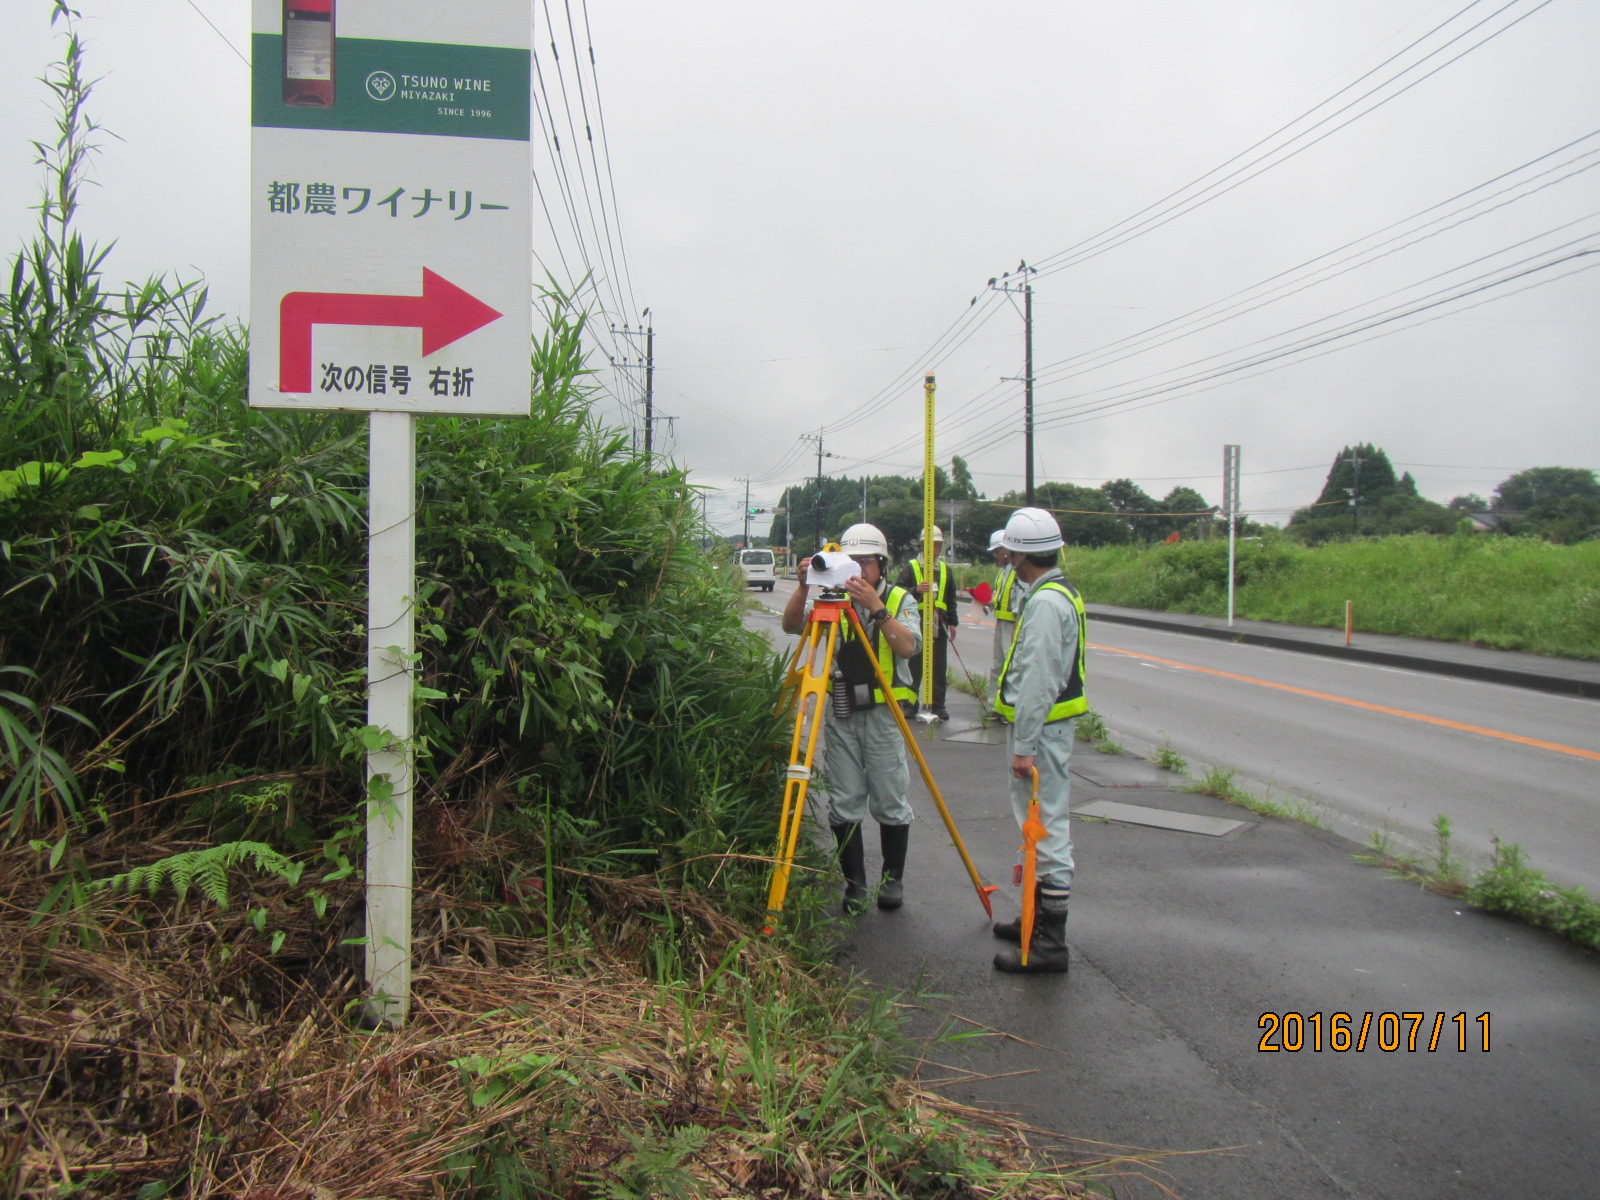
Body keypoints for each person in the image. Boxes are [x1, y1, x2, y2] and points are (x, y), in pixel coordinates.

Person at [781, 523, 922, 914]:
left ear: (881, 564)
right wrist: (806, 585)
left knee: (891, 798)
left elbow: (908, 646)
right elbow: (792, 625)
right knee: (844, 800)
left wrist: (877, 610)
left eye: (867, 562)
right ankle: (855, 884)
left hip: (884, 715)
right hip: (842, 710)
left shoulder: (898, 598)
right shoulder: (830, 599)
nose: (859, 570)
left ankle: (892, 881)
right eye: (852, 561)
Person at [990, 507, 1086, 974]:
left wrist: (1024, 746)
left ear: (1017, 554)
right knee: (1037, 827)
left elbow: (1039, 680)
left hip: (1042, 733)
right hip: (1047, 729)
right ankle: (1035, 919)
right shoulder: (1053, 591)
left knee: (1045, 829)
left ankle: (1050, 942)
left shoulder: (1047, 603)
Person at [897, 526, 959, 721]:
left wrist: (953, 623)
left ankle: (938, 705)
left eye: (937, 545)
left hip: (938, 624)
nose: (934, 549)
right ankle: (910, 704)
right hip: (916, 622)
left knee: (938, 667)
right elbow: (898, 591)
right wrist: (916, 590)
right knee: (915, 665)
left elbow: (951, 598)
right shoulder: (912, 567)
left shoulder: (945, 570)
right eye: (930, 545)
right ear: (922, 545)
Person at [986, 529, 1026, 711]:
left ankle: (1008, 706)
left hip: (1012, 625)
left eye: (997, 551)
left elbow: (1019, 603)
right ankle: (994, 705)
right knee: (998, 666)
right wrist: (987, 603)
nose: (995, 556)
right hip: (1001, 624)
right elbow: (999, 597)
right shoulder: (1003, 573)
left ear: (1007, 551)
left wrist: (1016, 631)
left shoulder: (1018, 573)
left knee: (1010, 667)